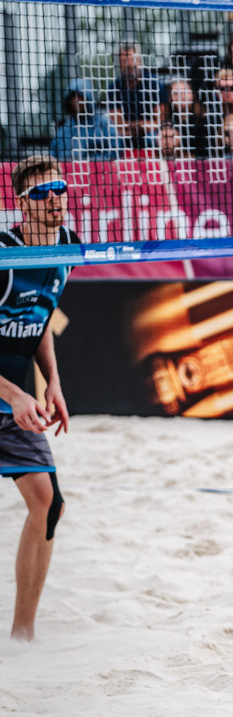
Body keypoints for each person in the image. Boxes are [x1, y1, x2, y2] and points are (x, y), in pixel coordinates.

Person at [0, 156, 79, 640]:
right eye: (41, 193)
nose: (53, 199)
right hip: (9, 396)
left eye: (59, 189)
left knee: (48, 504)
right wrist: (14, 394)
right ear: (22, 204)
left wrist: (52, 382)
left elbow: (42, 318)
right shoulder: (3, 254)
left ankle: (21, 636)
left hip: (14, 403)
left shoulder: (67, 246)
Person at [106, 42, 162, 151]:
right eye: (124, 61)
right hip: (125, 136)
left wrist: (138, 126)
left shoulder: (154, 83)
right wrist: (139, 125)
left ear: (140, 60)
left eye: (133, 59)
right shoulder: (114, 87)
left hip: (150, 134)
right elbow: (116, 124)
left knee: (153, 138)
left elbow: (159, 121)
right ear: (120, 65)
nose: (129, 64)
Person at [50, 79, 123, 162]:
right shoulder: (64, 130)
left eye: (80, 97)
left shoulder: (104, 125)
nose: (77, 101)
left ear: (88, 98)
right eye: (73, 97)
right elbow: (53, 155)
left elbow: (114, 152)